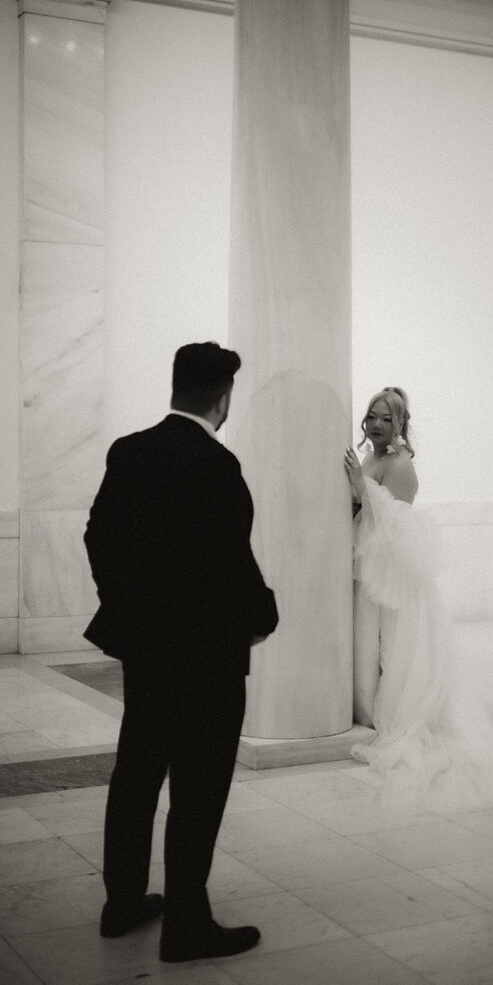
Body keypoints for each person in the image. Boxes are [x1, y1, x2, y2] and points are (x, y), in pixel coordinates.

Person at [84, 342, 278, 962]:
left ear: (174, 388)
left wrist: (126, 609)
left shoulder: (130, 451)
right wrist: (261, 616)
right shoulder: (219, 466)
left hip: (147, 652)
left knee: (136, 773)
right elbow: (231, 561)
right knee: (198, 788)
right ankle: (187, 924)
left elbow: (98, 537)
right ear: (223, 399)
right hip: (207, 659)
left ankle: (122, 906)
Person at [344, 386, 493, 815]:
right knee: (370, 647)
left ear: (402, 424)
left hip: (395, 578)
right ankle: (367, 707)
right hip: (372, 572)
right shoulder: (375, 456)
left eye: (387, 418)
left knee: (394, 649)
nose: (378, 423)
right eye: (372, 415)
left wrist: (361, 490)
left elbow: (399, 530)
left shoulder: (400, 465)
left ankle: (392, 716)